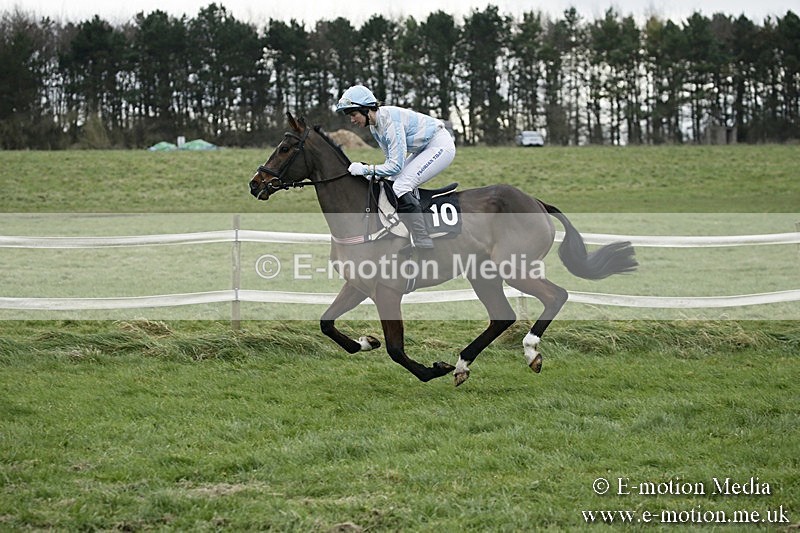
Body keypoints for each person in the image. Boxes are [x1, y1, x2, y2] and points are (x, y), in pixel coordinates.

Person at [335, 85, 456, 249]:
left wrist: (366, 170)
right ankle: (403, 230)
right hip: (424, 147)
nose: (352, 120)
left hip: (440, 145)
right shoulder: (375, 126)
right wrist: (373, 174)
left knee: (400, 185)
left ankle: (422, 238)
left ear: (366, 109)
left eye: (354, 114)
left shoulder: (389, 121)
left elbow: (396, 166)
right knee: (391, 184)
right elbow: (390, 161)